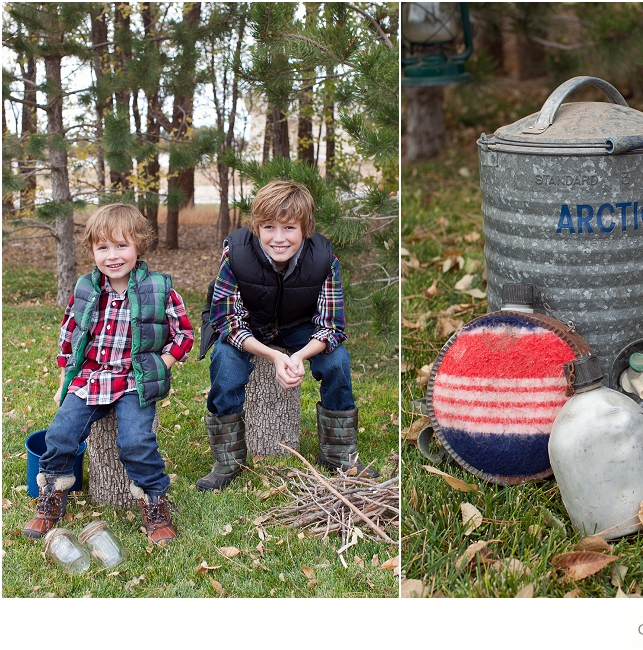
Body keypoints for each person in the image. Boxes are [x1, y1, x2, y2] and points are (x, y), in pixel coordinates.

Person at [22, 204, 194, 544]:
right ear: (92, 251)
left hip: (135, 381)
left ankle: (154, 503)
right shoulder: (87, 288)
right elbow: (69, 337)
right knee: (60, 433)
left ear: (139, 246)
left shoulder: (159, 288)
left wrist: (162, 365)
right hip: (91, 378)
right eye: (103, 247)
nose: (112, 256)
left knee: (136, 441)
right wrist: (64, 384)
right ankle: (53, 495)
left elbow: (184, 335)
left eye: (121, 246)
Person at [196, 179, 378, 491]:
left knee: (336, 360)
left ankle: (338, 453)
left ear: (305, 228)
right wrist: (272, 355)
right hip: (246, 324)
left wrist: (298, 356)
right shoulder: (235, 255)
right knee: (225, 362)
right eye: (269, 227)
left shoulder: (324, 260)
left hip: (298, 325)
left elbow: (331, 325)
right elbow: (227, 320)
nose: (279, 238)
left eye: (289, 228)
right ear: (256, 227)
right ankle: (228, 458)